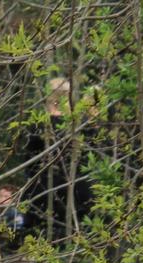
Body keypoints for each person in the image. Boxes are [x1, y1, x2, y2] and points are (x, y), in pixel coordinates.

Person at [17, 76, 94, 241]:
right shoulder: (81, 126)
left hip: (42, 197)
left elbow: (28, 165)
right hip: (77, 196)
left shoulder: (37, 127)